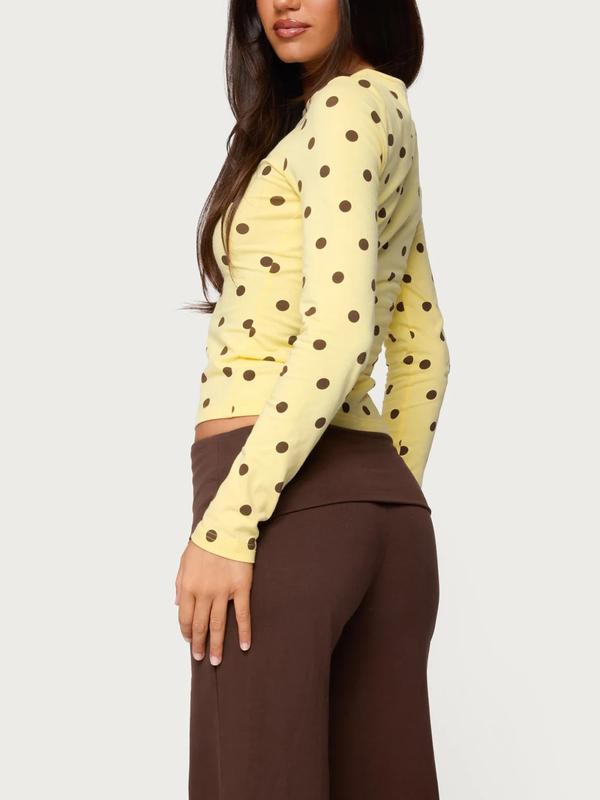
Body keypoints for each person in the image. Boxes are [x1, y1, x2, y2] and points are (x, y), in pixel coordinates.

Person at [175, 1, 450, 797]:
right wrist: (369, 499)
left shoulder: (341, 108)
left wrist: (230, 524)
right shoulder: (384, 109)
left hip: (273, 502)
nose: (283, 3)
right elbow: (424, 351)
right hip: (383, 519)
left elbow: (341, 330)